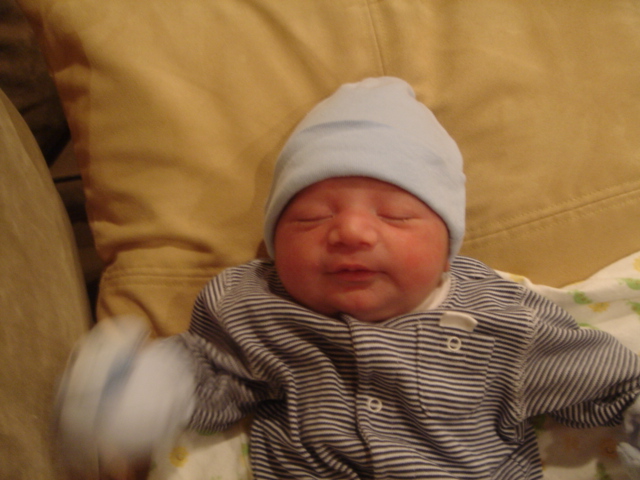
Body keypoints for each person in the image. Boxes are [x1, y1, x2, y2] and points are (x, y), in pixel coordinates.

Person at [56, 77, 640, 479]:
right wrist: (137, 393)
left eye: (396, 215)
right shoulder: (254, 306)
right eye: (311, 217)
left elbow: (609, 383)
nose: (351, 232)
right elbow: (208, 374)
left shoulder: (502, 317)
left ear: (447, 250)